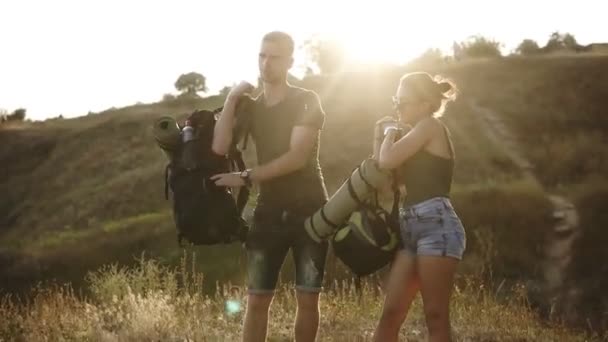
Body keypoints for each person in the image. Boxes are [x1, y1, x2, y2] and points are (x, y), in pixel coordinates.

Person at [210, 31, 329, 342]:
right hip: (268, 211)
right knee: (257, 299)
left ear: (289, 62)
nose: (266, 63)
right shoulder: (251, 106)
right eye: (262, 55)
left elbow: (297, 157)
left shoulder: (306, 100)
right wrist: (231, 99)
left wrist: (247, 177)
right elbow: (220, 147)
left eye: (274, 57)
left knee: (307, 299)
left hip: (310, 211)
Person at [372, 72, 466, 342]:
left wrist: (389, 132)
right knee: (391, 313)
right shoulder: (413, 135)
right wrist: (379, 135)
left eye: (403, 102)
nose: (397, 107)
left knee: (435, 316)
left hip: (437, 226)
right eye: (395, 101)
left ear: (425, 104)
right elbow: (382, 173)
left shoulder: (430, 127)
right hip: (411, 229)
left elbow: (387, 160)